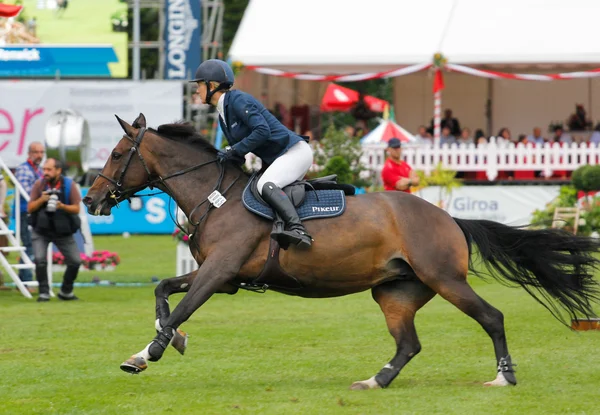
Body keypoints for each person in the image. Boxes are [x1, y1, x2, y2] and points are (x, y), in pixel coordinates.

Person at [191, 59, 313, 249]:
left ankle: (298, 229)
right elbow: (237, 156)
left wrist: (232, 150)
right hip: (280, 157)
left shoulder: (238, 100)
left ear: (212, 86)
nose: (197, 91)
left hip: (294, 152)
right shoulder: (224, 113)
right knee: (253, 186)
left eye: (199, 85)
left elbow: (262, 131)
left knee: (265, 184)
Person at [28, 158, 82, 302]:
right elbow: (30, 208)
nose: (45, 172)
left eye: (49, 169)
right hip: (41, 229)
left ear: (58, 170)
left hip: (63, 230)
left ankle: (66, 291)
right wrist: (41, 200)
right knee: (39, 260)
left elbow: (77, 208)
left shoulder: (70, 185)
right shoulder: (39, 185)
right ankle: (44, 293)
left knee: (75, 261)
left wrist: (61, 206)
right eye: (44, 169)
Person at [14, 142, 45, 285]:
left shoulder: (39, 170)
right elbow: (27, 192)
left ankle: (25, 279)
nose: (39, 155)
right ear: (29, 154)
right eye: (36, 152)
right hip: (24, 212)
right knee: (29, 245)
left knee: (31, 246)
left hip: (35, 212)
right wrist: (43, 197)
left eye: (41, 152)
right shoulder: (23, 169)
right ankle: (26, 281)